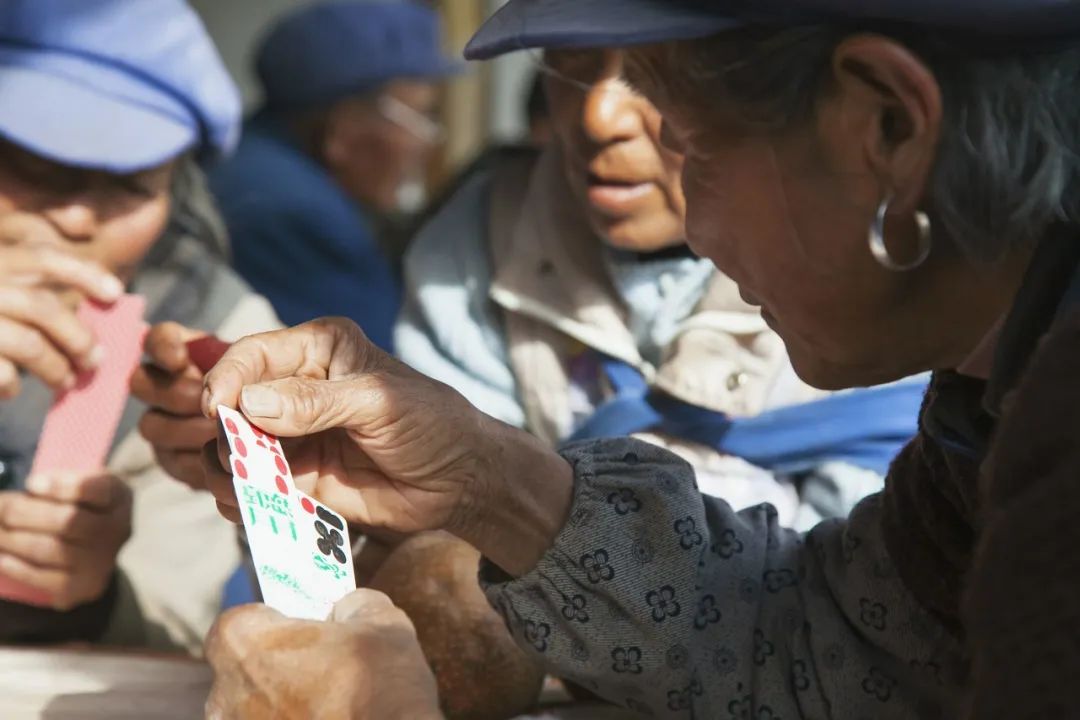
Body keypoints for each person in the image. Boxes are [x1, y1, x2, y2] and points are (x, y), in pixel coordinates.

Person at [198, 0, 1080, 717]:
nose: (694, 230)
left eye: (693, 145)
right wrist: (480, 472)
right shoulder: (997, 394)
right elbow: (832, 648)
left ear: (888, 124)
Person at [0, 0, 280, 652]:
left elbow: (172, 618)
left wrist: (90, 598)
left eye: (128, 187)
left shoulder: (209, 336)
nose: (75, 219)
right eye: (35, 167)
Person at [209, 0, 460, 350]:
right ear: (342, 132)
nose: (428, 142)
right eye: (420, 117)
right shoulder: (297, 216)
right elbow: (381, 377)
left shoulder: (246, 161)